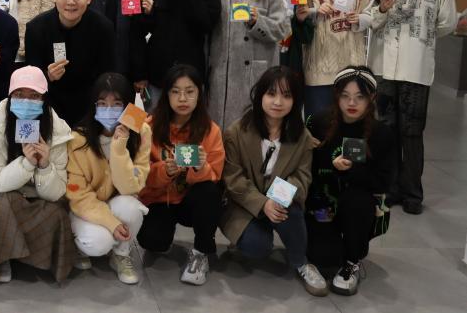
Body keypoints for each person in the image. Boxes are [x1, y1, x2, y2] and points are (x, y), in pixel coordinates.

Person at [366, 0, 457, 215]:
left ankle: (412, 192)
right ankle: (391, 187)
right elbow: (371, 19)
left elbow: (447, 22)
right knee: (387, 129)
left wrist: (422, 36)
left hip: (416, 66)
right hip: (383, 65)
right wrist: (382, 10)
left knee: (412, 132)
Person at [220, 66, 328, 297]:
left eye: (286, 95)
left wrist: (276, 198)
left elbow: (302, 176)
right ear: (260, 95)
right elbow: (233, 178)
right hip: (244, 205)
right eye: (271, 94)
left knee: (291, 210)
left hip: (280, 202)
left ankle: (301, 262)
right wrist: (262, 204)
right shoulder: (236, 132)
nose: (278, 102)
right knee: (257, 247)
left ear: (295, 100)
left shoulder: (303, 137)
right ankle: (246, 236)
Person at [0, 66, 74, 287]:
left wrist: (44, 165)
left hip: (39, 195)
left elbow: (56, 193)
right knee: (0, 204)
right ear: (10, 96)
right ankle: (0, 259)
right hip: (1, 192)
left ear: (44, 99)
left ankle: (25, 256)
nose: (26, 101)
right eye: (19, 95)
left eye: (34, 96)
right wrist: (26, 164)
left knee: (57, 213)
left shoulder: (57, 130)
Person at [306, 66, 393, 296]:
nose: (351, 103)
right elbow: (303, 165)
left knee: (358, 201)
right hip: (323, 200)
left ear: (371, 97)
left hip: (358, 202)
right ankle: (331, 244)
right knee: (325, 256)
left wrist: (351, 171)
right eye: (345, 96)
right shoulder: (318, 122)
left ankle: (352, 260)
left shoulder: (381, 134)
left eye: (359, 97)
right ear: (336, 95)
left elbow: (384, 182)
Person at [137, 64, 224, 286]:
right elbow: (139, 172)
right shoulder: (148, 126)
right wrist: (163, 171)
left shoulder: (211, 130)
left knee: (209, 192)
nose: (183, 98)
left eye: (189, 91)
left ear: (199, 94)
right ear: (166, 95)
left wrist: (200, 169)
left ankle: (201, 252)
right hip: (160, 199)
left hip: (191, 201)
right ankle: (164, 232)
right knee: (152, 241)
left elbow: (215, 175)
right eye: (175, 91)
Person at [66, 73, 150, 285]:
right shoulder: (78, 138)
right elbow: (79, 196)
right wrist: (110, 223)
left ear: (129, 107)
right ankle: (79, 246)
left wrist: (119, 148)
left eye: (117, 103)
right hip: (85, 208)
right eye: (102, 103)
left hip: (118, 201)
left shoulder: (141, 131)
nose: (109, 109)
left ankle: (121, 254)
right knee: (98, 243)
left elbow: (130, 188)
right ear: (94, 105)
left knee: (133, 208)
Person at [208, 0, 290, 127]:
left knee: (249, 130)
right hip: (219, 72)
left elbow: (282, 29)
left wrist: (257, 22)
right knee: (217, 129)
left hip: (254, 74)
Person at [300, 0, 376, 121]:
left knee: (350, 125)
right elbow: (300, 13)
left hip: (352, 63)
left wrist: (360, 19)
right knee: (317, 124)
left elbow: (372, 14)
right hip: (318, 65)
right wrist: (315, 11)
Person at [24, 0, 115, 125]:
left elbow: (107, 74)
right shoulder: (36, 28)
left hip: (89, 105)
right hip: (49, 105)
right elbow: (31, 77)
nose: (71, 2)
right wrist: (47, 75)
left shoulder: (103, 28)